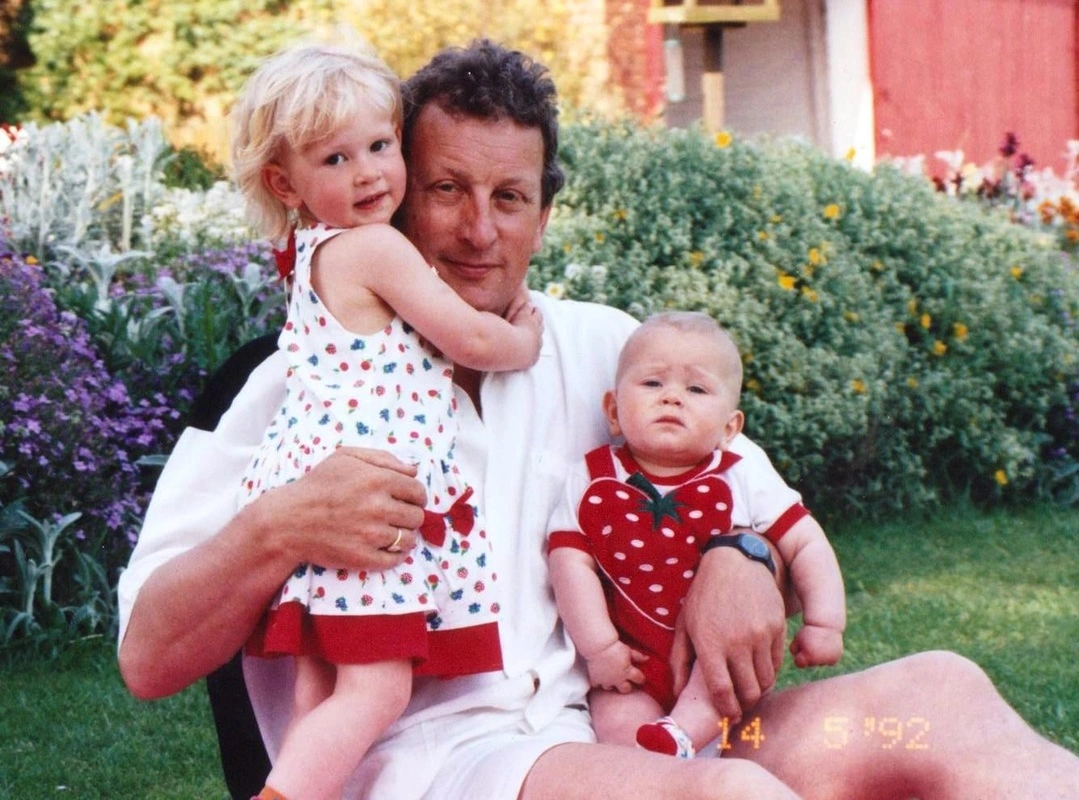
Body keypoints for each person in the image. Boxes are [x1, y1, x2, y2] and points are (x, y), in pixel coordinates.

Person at [118, 38, 1079, 800]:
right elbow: (148, 659)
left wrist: (740, 559)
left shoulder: (606, 353)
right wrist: (277, 524)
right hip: (435, 768)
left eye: (511, 198)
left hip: (633, 732)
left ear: (544, 216)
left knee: (937, 698)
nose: (477, 230)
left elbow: (757, 507)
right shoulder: (285, 382)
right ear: (396, 189)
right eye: (446, 188)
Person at [227, 40, 543, 800]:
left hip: (317, 491)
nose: (369, 172)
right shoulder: (374, 248)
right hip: (370, 501)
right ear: (285, 181)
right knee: (377, 692)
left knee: (318, 696)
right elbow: (468, 336)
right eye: (335, 160)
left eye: (379, 146)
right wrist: (524, 337)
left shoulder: (311, 254)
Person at [548, 312, 845, 760]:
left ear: (730, 429)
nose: (672, 398)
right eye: (652, 385)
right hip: (631, 663)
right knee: (615, 716)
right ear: (613, 411)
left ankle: (684, 733)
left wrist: (826, 622)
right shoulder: (590, 478)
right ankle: (651, 760)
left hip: (716, 658)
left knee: (716, 687)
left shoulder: (742, 477)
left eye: (697, 389)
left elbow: (806, 541)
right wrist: (601, 647)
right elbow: (570, 563)